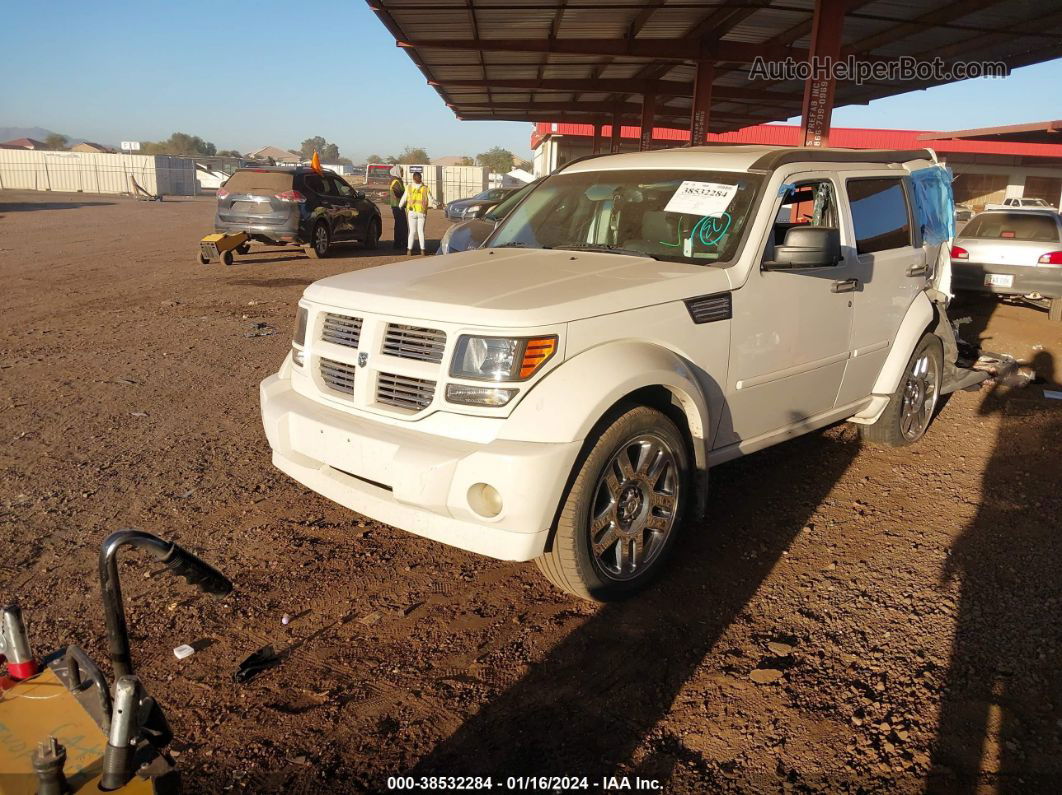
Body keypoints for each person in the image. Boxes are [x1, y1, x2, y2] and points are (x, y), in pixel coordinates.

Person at [397, 171, 435, 255]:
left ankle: (409, 250)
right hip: (422, 212)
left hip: (411, 211)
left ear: (413, 178)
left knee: (412, 232)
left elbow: (404, 198)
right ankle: (423, 250)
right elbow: (431, 199)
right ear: (421, 178)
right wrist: (436, 204)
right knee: (421, 231)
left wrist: (400, 205)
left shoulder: (409, 187)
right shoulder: (425, 188)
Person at [388, 166, 407, 251]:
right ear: (397, 172)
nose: (403, 173)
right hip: (397, 205)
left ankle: (399, 243)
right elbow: (398, 193)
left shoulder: (398, 180)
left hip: (399, 205)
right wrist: (406, 195)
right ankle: (399, 243)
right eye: (402, 171)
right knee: (401, 225)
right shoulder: (395, 181)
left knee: (400, 225)